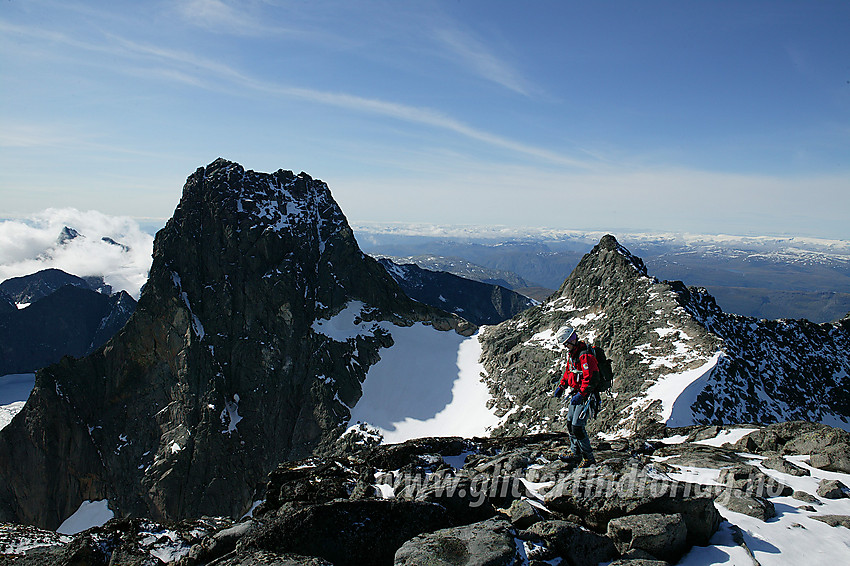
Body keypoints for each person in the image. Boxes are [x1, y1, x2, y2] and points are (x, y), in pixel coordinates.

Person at [553, 326, 599, 467]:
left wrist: (581, 393)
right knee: (570, 424)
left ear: (572, 340)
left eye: (566, 343)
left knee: (577, 427)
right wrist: (562, 385)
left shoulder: (584, 355)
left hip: (585, 396)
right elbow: (569, 371)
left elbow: (590, 378)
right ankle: (575, 452)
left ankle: (588, 457)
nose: (566, 346)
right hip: (577, 393)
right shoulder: (573, 354)